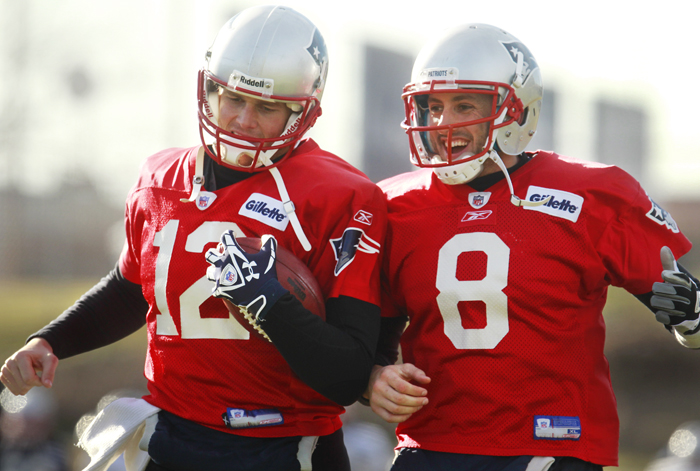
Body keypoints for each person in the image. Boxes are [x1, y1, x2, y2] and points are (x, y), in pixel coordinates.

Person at [0, 5, 387, 471]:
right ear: (209, 89)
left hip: (286, 449)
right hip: (173, 439)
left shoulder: (341, 195)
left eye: (266, 107)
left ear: (302, 114)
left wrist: (270, 305)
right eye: (232, 98)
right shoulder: (160, 177)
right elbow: (130, 289)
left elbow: (348, 373)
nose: (244, 119)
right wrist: (51, 340)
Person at [364, 23, 699, 471]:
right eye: (433, 106)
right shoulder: (391, 204)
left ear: (517, 110)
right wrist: (374, 379)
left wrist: (692, 315)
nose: (444, 123)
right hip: (430, 445)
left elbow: (686, 312)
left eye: (464, 104)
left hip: (551, 445)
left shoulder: (591, 193)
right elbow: (371, 339)